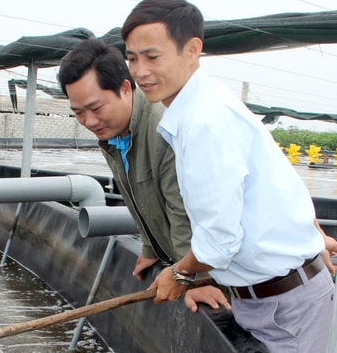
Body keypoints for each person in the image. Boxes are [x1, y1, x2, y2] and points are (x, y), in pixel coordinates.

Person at [121, 0, 337, 353]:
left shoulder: (204, 123)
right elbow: (278, 184)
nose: (141, 71)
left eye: (152, 56)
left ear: (192, 50)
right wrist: (307, 235)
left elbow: (219, 241)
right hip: (265, 296)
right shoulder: (202, 108)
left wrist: (179, 274)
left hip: (284, 305)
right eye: (131, 58)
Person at [57, 38, 226, 309]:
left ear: (125, 89)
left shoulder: (164, 128)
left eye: (97, 108)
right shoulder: (114, 135)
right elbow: (137, 195)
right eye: (78, 112)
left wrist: (193, 279)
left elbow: (182, 209)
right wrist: (151, 247)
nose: (89, 121)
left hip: (219, 271)